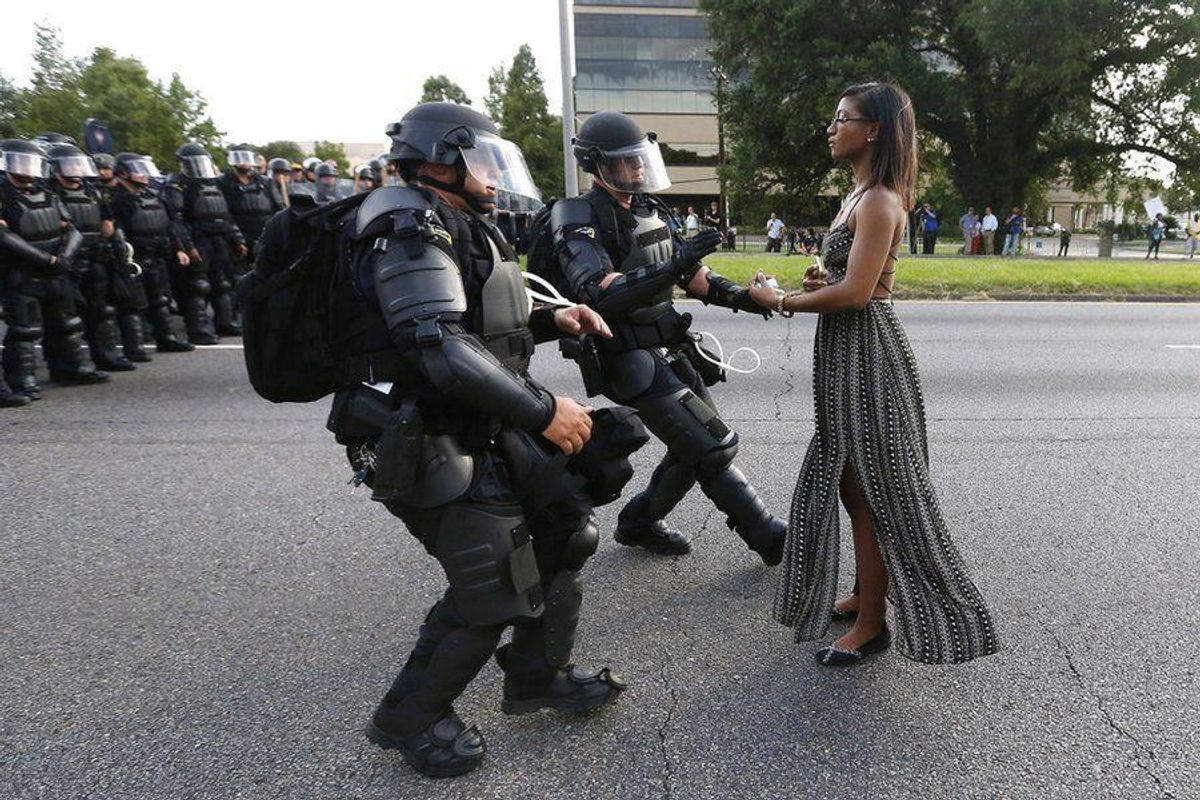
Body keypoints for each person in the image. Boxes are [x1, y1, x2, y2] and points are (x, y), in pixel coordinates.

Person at [312, 102, 629, 777]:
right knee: (494, 583)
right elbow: (437, 345)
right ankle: (410, 717)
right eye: (480, 156)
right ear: (438, 160)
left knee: (566, 529)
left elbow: (477, 321)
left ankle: (539, 674)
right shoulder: (405, 225)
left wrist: (552, 318)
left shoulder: (454, 221)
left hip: (479, 420)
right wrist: (546, 412)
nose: (492, 172)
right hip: (420, 433)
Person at [746, 82, 999, 666]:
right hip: (845, 352)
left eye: (843, 118)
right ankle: (866, 590)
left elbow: (860, 294)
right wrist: (817, 285)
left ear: (874, 129)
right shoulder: (857, 196)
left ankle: (873, 623)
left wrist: (779, 300)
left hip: (868, 354)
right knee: (849, 481)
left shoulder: (882, 199)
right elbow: (846, 281)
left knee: (876, 489)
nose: (832, 128)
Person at [546, 110, 787, 562]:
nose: (637, 169)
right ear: (596, 165)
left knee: (696, 447)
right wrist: (673, 267)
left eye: (640, 159)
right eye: (626, 161)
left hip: (669, 347)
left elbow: (694, 276)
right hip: (626, 356)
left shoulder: (649, 209)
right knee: (713, 445)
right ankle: (769, 537)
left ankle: (638, 522)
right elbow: (598, 292)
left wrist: (746, 299)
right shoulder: (576, 215)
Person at [0, 138, 109, 398]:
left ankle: (72, 368)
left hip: (56, 268)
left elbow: (71, 228)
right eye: (20, 162)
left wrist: (64, 258)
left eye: (31, 163)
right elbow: (4, 236)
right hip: (22, 271)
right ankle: (22, 379)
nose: (26, 169)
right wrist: (46, 260)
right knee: (25, 329)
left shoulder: (47, 192)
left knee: (67, 321)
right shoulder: (3, 194)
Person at [46, 143, 135, 372]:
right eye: (69, 164)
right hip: (66, 261)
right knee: (65, 317)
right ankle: (65, 366)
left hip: (96, 258)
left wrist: (117, 251)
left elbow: (107, 224)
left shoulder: (92, 191)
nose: (75, 168)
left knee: (101, 311)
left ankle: (106, 356)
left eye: (77, 163)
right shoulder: (49, 192)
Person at [109, 153, 195, 356]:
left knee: (161, 300)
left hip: (157, 257)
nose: (144, 175)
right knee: (133, 305)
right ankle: (135, 348)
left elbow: (170, 226)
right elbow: (113, 231)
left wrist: (179, 249)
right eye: (138, 170)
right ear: (123, 173)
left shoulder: (154, 196)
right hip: (133, 259)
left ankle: (167, 339)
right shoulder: (116, 200)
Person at [166, 142, 247, 342]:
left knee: (223, 283)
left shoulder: (214, 184)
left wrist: (238, 239)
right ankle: (198, 329)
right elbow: (176, 220)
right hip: (198, 238)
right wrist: (188, 246)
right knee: (198, 286)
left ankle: (224, 323)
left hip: (220, 239)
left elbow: (225, 215)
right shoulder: (178, 185)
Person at [219, 146, 282, 253]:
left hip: (266, 234)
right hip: (240, 235)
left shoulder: (265, 182)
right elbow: (224, 213)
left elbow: (279, 209)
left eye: (246, 158)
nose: (244, 162)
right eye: (239, 159)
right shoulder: (224, 182)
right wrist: (237, 239)